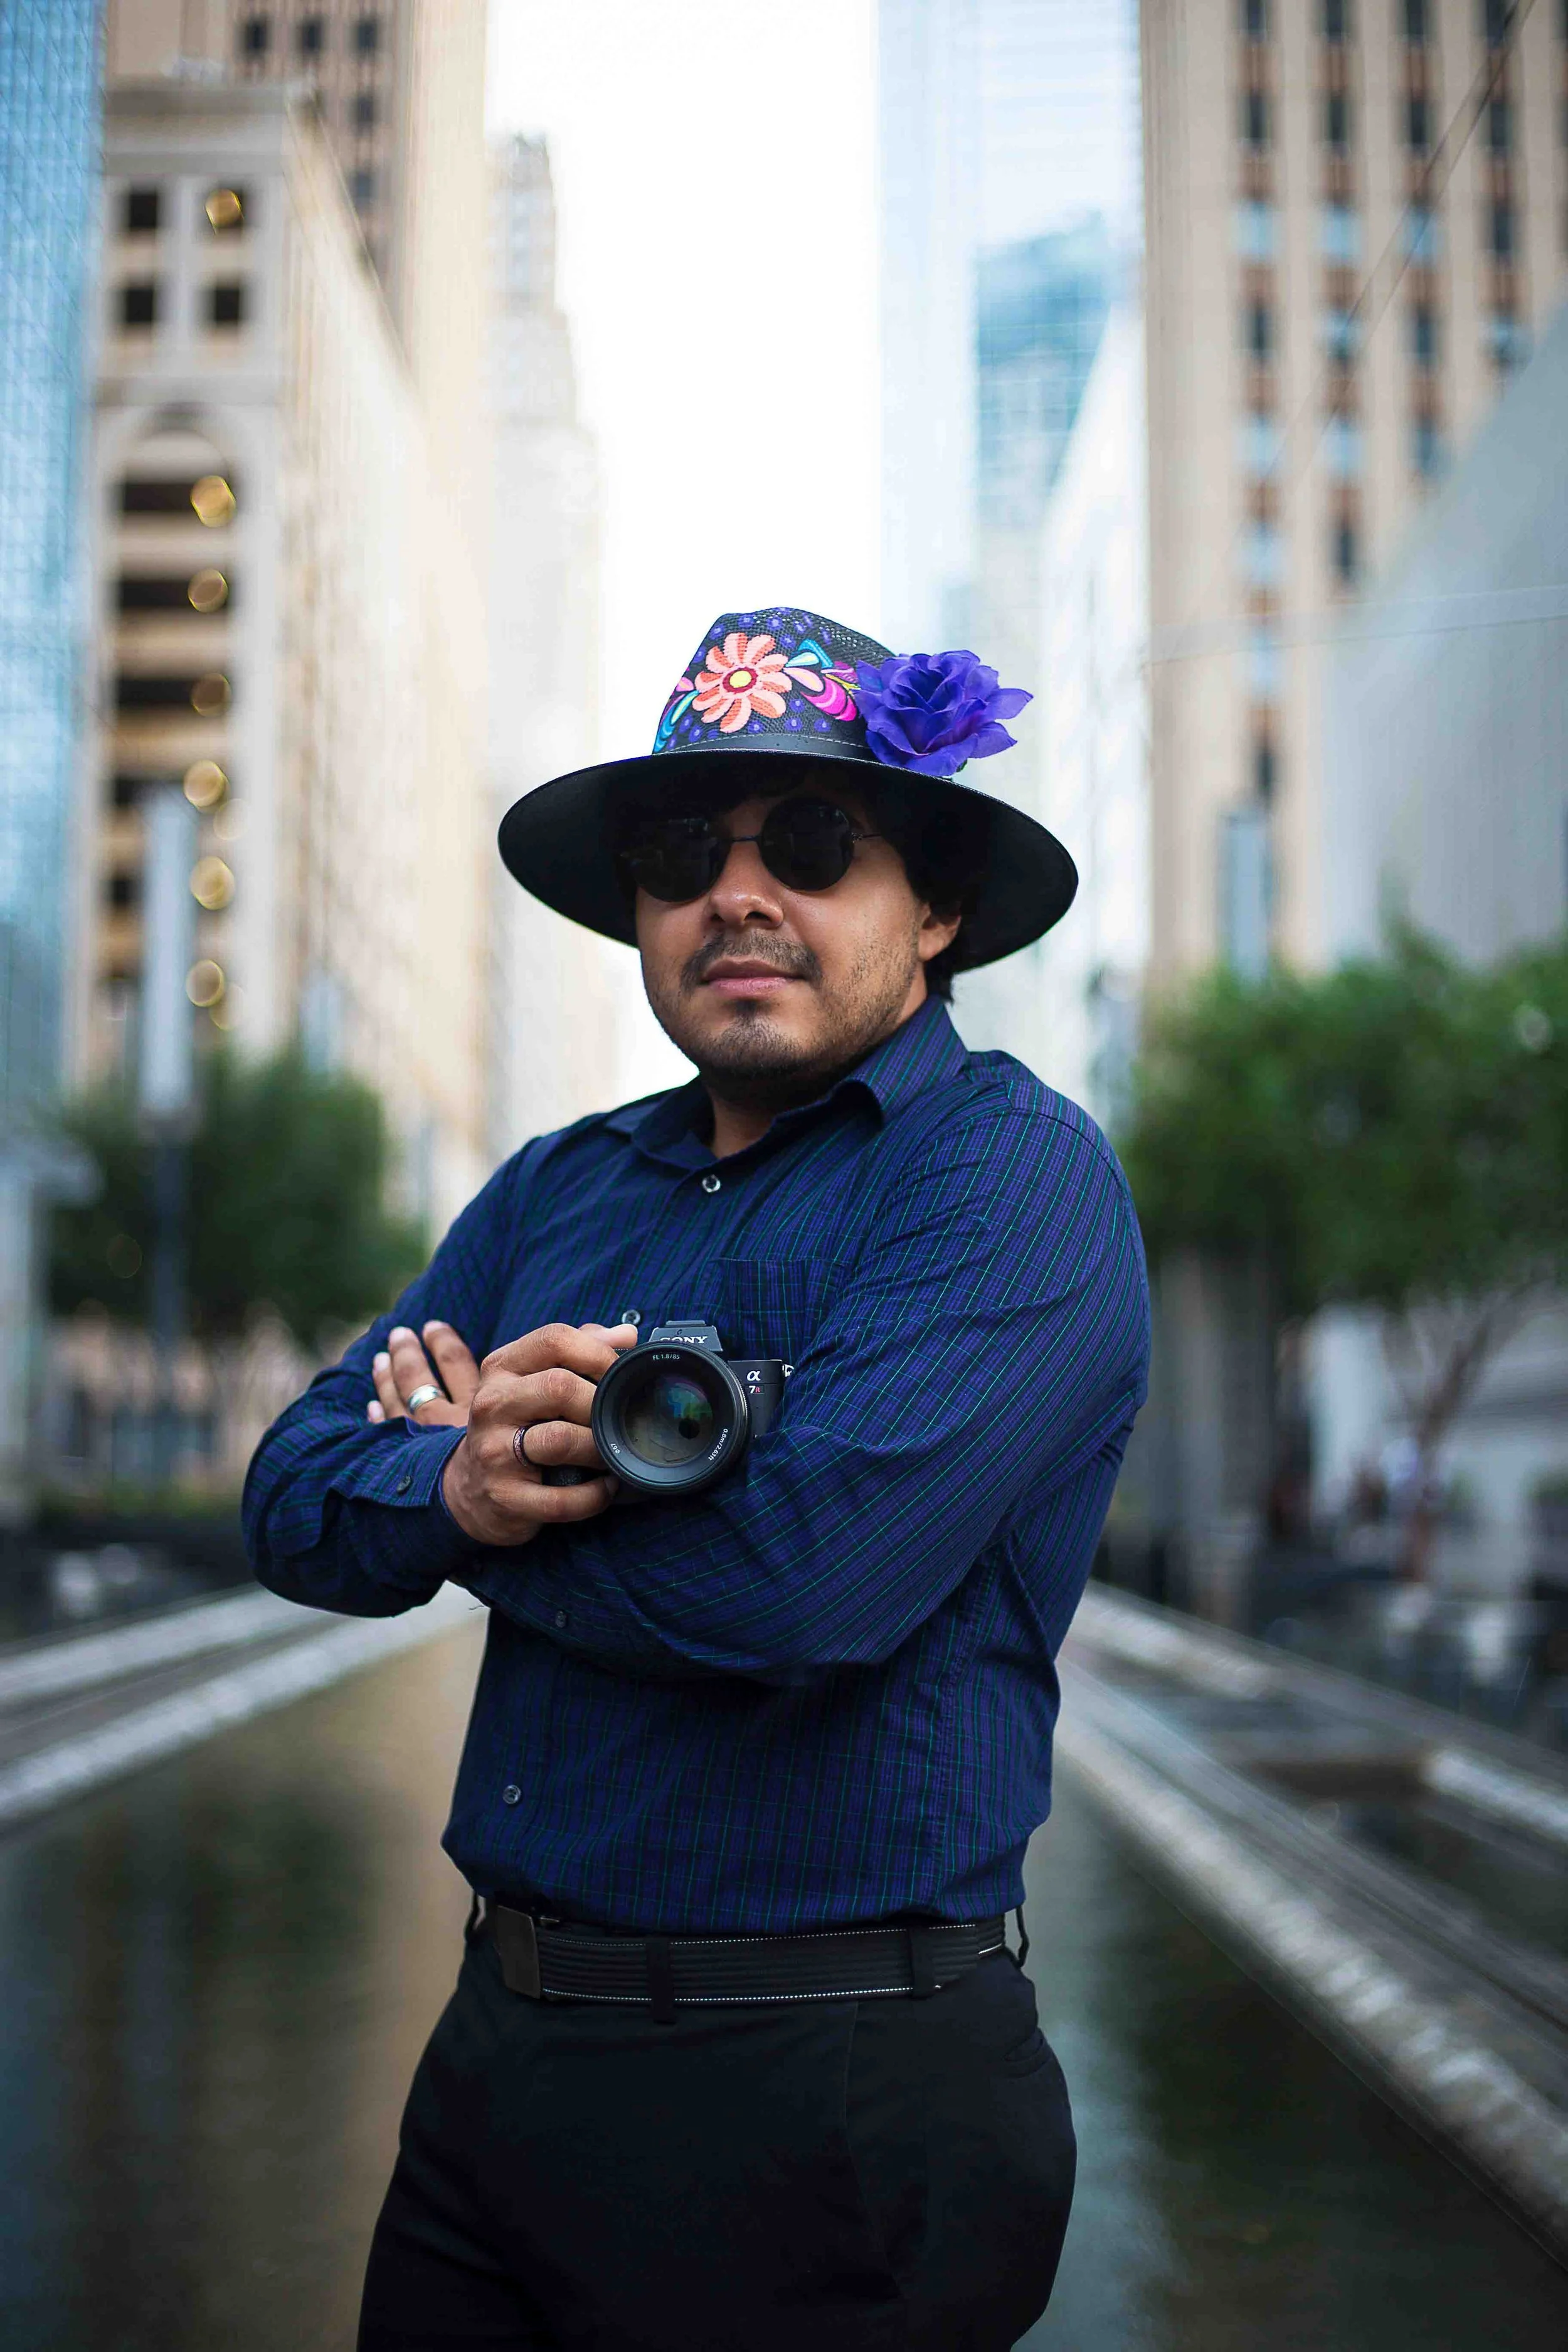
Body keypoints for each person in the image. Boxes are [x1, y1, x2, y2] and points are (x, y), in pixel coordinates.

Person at [245, 606, 1150, 2351]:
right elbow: (291, 1488)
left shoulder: (1014, 1178)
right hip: (496, 2068)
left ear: (936, 908)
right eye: (682, 854)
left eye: (810, 843)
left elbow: (802, 1585)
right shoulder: (553, 1189)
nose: (736, 894)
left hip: (832, 2100)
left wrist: (471, 1494)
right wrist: (438, 1495)